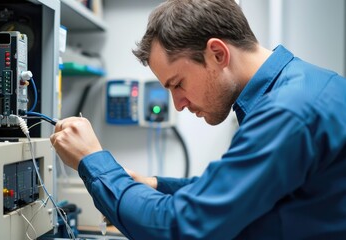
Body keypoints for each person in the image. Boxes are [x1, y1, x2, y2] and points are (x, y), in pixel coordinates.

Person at [50, 0, 346, 239]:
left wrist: (93, 160)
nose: (178, 105)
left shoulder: (286, 113)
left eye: (177, 84)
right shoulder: (300, 87)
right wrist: (156, 184)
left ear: (217, 53)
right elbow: (230, 189)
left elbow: (181, 227)